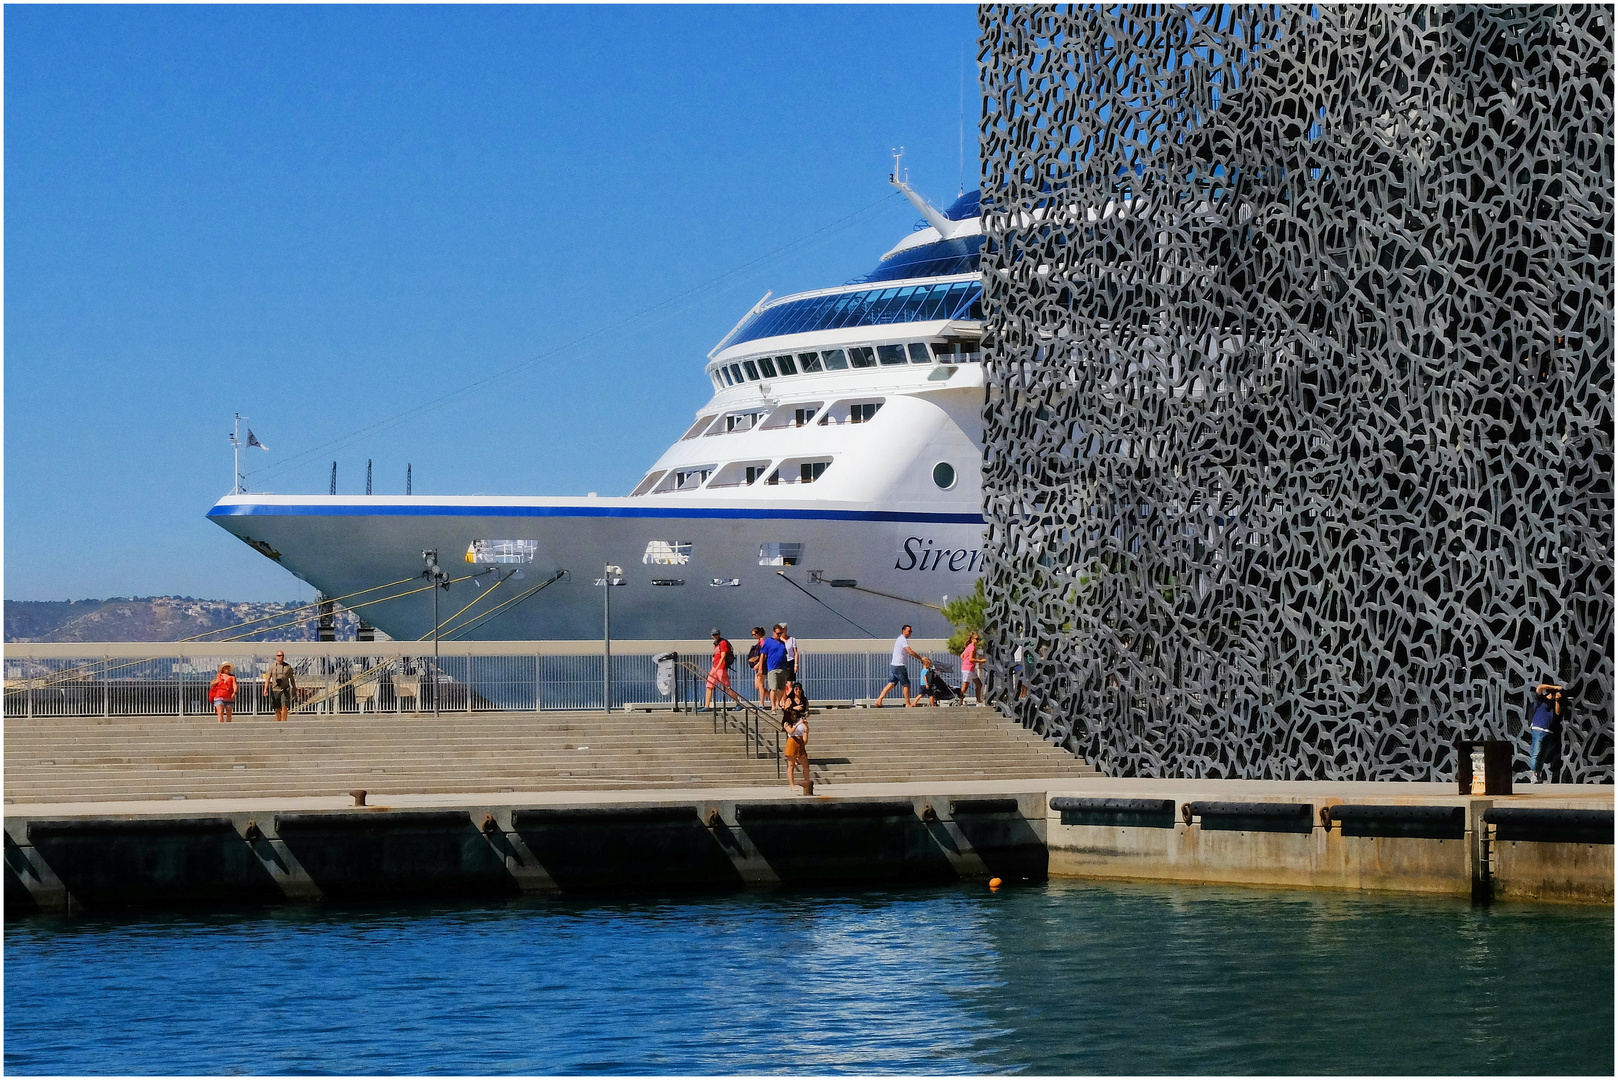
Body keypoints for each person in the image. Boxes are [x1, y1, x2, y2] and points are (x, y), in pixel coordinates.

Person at [873, 624, 923, 708]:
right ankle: (907, 704)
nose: (910, 633)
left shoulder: (900, 639)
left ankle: (879, 700)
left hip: (894, 665)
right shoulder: (902, 639)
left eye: (911, 631)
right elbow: (910, 651)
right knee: (906, 684)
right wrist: (921, 659)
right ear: (903, 631)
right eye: (908, 631)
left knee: (891, 683)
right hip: (899, 666)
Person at [1528, 682, 1562, 783]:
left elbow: (1557, 713)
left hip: (1549, 731)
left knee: (1543, 754)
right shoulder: (1541, 699)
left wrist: (1557, 700)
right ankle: (1534, 773)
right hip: (1538, 728)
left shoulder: (1555, 703)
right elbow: (1540, 687)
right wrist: (1556, 687)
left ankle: (1538, 773)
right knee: (1536, 751)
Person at [781, 683, 811, 794]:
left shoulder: (804, 700)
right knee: (791, 765)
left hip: (800, 737)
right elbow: (786, 711)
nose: (798, 691)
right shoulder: (788, 721)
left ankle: (807, 782)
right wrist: (797, 719)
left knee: (805, 764)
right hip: (792, 739)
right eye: (796, 689)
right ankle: (792, 784)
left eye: (799, 689)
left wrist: (805, 723)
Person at [263, 650, 298, 722]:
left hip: (285, 689)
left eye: (282, 655)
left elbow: (292, 678)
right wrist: (265, 689)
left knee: (284, 705)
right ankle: (278, 721)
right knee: (277, 708)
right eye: (279, 656)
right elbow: (268, 678)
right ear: (276, 657)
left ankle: (284, 721)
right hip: (275, 689)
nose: (281, 657)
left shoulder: (288, 667)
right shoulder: (272, 667)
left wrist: (294, 688)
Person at [704, 630, 734, 710]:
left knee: (727, 687)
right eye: (714, 635)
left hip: (721, 668)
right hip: (715, 667)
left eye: (716, 634)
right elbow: (717, 655)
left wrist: (717, 667)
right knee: (709, 685)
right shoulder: (716, 644)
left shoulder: (723, 643)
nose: (715, 636)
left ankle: (737, 702)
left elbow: (723, 656)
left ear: (719, 634)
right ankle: (706, 706)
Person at [760, 625, 788, 709]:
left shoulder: (782, 643)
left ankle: (777, 703)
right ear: (773, 632)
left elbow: (784, 654)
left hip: (782, 668)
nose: (779, 635)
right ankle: (773, 705)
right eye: (778, 633)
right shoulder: (768, 641)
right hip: (772, 668)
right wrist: (761, 667)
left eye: (781, 633)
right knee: (773, 688)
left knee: (782, 688)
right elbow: (763, 655)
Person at [959, 632, 983, 704]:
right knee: (965, 687)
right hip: (968, 669)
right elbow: (971, 659)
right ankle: (959, 701)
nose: (978, 641)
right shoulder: (972, 647)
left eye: (978, 639)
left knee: (979, 684)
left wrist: (965, 661)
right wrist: (980, 661)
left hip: (970, 669)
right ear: (972, 639)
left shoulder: (968, 646)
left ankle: (978, 700)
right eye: (976, 639)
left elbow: (961, 655)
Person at [746, 627, 767, 705]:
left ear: (758, 634)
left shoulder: (762, 642)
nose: (753, 636)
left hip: (762, 665)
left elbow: (764, 655)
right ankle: (772, 697)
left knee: (760, 685)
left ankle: (762, 703)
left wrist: (759, 665)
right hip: (760, 665)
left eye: (754, 634)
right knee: (757, 686)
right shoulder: (759, 642)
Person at [778, 623, 800, 690]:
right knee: (782, 683)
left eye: (785, 629)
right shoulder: (778, 640)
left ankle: (789, 699)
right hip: (781, 662)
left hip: (790, 661)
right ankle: (783, 700)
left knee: (790, 683)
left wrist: (796, 664)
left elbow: (795, 652)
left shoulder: (792, 639)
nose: (784, 631)